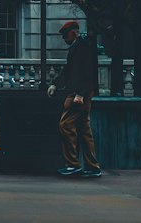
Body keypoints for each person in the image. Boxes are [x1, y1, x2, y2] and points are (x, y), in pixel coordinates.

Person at [55, 19, 102, 178]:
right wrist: (56, 83)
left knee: (65, 125)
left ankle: (73, 164)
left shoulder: (82, 48)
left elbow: (87, 73)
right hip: (81, 92)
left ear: (74, 33)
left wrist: (80, 94)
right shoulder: (79, 47)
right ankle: (92, 166)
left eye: (66, 35)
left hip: (78, 93)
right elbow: (69, 71)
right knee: (83, 129)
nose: (64, 39)